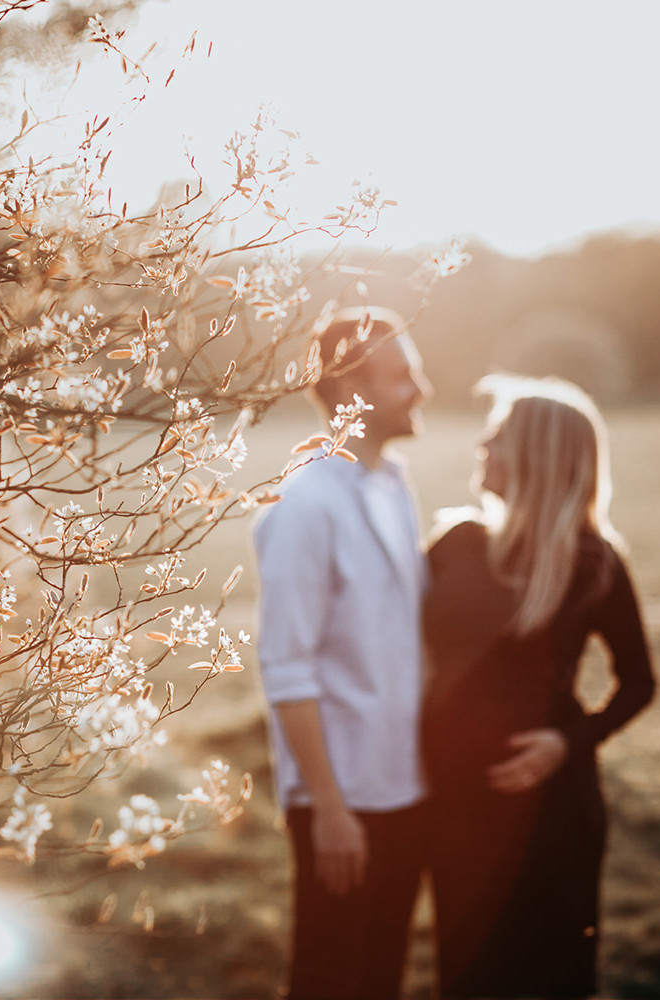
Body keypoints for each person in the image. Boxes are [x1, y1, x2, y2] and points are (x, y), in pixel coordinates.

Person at [421, 374, 656, 999]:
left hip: (552, 812)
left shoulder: (592, 560)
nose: (481, 446)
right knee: (467, 978)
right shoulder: (454, 545)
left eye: (496, 436)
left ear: (534, 454)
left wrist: (566, 744)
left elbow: (638, 682)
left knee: (549, 979)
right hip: (454, 805)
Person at [254, 306, 432, 1000]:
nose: (422, 387)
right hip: (342, 799)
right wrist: (327, 807)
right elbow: (286, 667)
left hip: (406, 786)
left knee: (383, 976)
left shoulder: (394, 482)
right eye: (402, 375)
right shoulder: (305, 505)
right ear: (349, 390)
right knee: (330, 980)